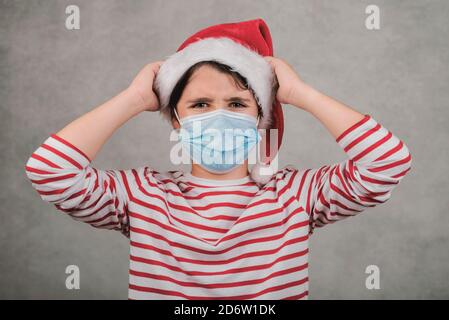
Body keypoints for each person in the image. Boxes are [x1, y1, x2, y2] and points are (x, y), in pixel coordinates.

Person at [24, 18, 412, 299]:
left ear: (261, 118)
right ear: (175, 119)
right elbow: (49, 172)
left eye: (238, 103)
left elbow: (387, 164)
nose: (220, 115)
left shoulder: (296, 194)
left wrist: (298, 92)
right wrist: (135, 98)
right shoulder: (142, 195)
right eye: (200, 103)